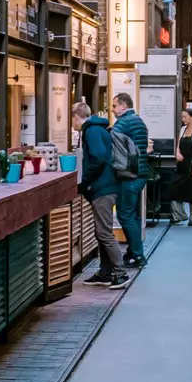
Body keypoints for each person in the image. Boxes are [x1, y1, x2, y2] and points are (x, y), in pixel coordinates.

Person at [75, 101, 130, 288]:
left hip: (103, 188)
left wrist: (85, 181)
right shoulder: (99, 128)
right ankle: (106, 272)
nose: (71, 125)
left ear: (76, 117)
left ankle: (120, 273)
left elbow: (97, 158)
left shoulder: (91, 131)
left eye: (71, 120)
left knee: (104, 232)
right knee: (101, 232)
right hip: (106, 185)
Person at [110, 93, 151, 268]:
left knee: (125, 215)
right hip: (139, 174)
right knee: (132, 215)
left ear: (123, 106)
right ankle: (134, 251)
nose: (112, 110)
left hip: (129, 175)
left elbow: (110, 141)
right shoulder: (138, 120)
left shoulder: (124, 122)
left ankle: (137, 254)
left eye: (114, 106)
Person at [174, 109, 192, 226]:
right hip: (182, 163)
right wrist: (177, 153)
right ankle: (179, 215)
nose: (183, 119)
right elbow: (178, 144)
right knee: (174, 188)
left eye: (185, 117)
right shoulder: (182, 130)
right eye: (182, 117)